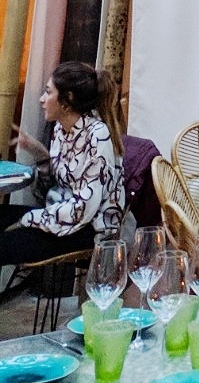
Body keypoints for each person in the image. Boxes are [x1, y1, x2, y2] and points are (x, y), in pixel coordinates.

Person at [2, 62, 126, 266]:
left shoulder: (97, 135)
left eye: (48, 92)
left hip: (88, 229)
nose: (42, 99)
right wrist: (40, 154)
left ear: (67, 101)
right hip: (59, 217)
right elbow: (49, 191)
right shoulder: (61, 129)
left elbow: (83, 209)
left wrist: (30, 219)